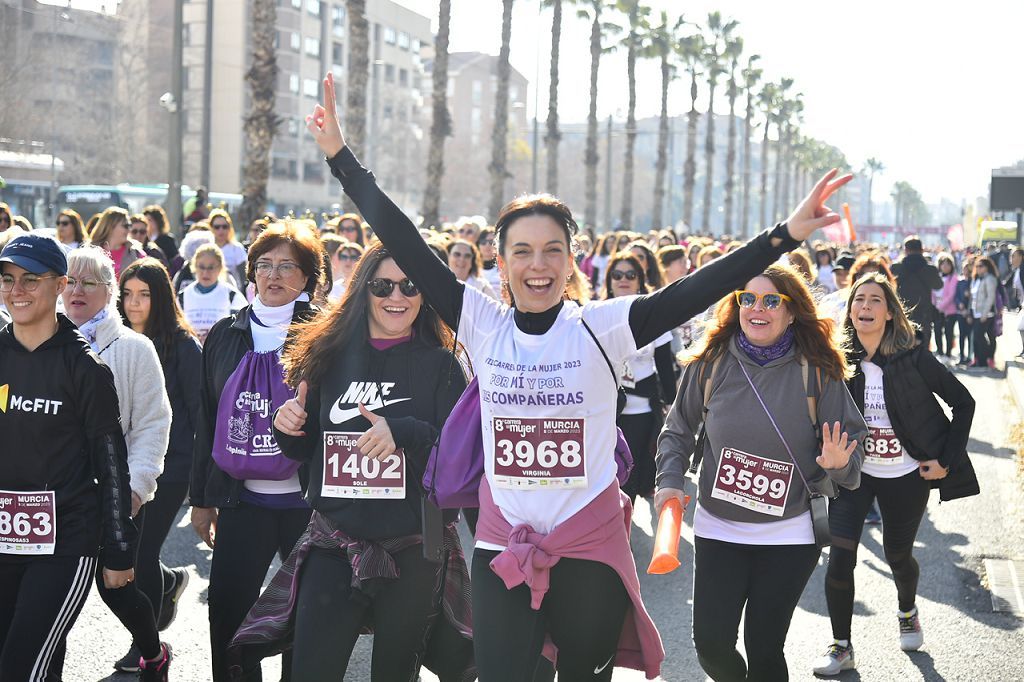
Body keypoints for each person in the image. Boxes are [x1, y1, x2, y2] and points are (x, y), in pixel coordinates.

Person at [307, 69, 851, 680]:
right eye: (521, 251)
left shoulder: (604, 325)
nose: (537, 265)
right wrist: (340, 159)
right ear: (500, 260)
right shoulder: (481, 322)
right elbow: (402, 240)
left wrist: (785, 235)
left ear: (571, 260)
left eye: (551, 251)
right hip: (502, 541)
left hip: (588, 543)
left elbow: (701, 288)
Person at [230, 241, 473, 680]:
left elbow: (459, 456)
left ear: (425, 295)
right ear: (364, 290)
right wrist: (287, 429)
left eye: (409, 286)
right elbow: (305, 451)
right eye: (382, 285)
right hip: (335, 542)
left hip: (415, 547)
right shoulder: (329, 357)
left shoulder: (443, 366)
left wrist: (404, 431)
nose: (395, 297)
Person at [655, 263, 866, 682]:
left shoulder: (816, 371)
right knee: (712, 646)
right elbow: (677, 430)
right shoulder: (710, 364)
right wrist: (669, 482)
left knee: (764, 648)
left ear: (791, 311)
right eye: (747, 299)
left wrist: (840, 464)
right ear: (735, 307)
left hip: (789, 533)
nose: (758, 308)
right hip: (719, 528)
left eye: (772, 300)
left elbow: (853, 458)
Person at [813, 273, 977, 676]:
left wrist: (945, 461)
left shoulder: (914, 359)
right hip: (853, 476)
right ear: (850, 311)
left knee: (897, 556)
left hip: (905, 475)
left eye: (874, 301)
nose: (865, 307)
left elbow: (963, 402)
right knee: (839, 559)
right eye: (858, 300)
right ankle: (841, 646)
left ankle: (907, 611)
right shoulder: (836, 361)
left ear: (889, 313)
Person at [0, 234, 138, 681]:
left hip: (63, 544)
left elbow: (111, 462)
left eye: (29, 280)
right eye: (7, 280)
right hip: (3, 539)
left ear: (59, 285)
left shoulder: (85, 369)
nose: (15, 291)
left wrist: (119, 549)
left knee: (22, 668)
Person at [190, 221, 323, 681]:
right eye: (264, 264)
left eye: (288, 265)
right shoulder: (226, 334)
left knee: (307, 621)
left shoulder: (326, 336)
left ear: (307, 278)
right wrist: (201, 500)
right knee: (227, 612)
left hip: (308, 506)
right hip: (241, 499)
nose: (274, 275)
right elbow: (206, 419)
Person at [61, 246, 174, 676]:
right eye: (70, 281)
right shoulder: (42, 341)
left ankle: (152, 651)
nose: (77, 290)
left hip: (116, 491)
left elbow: (152, 424)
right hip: (56, 494)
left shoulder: (134, 348)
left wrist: (136, 489)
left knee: (116, 587)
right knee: (50, 594)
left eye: (89, 282)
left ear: (109, 292)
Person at [119, 257, 201, 639]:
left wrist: (202, 482)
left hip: (172, 465)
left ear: (161, 298)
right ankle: (168, 582)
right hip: (125, 462)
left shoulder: (183, 346)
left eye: (144, 294)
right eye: (127, 294)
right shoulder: (116, 341)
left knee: (141, 554)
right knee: (125, 553)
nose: (134, 303)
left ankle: (146, 644)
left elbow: (203, 413)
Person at [603, 252, 676, 503]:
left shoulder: (653, 315)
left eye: (630, 275)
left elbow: (665, 364)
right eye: (617, 275)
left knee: (630, 478)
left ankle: (624, 533)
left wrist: (673, 404)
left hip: (642, 410)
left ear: (640, 280)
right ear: (609, 281)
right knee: (604, 478)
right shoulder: (594, 314)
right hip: (604, 410)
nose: (624, 279)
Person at [178, 242, 245, 344]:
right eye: (201, 267)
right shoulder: (182, 297)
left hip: (221, 356)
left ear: (220, 268)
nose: (205, 273)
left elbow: (242, 332)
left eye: (211, 267)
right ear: (194, 267)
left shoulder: (232, 296)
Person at [891, 236, 942, 345]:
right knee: (923, 348)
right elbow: (938, 285)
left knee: (902, 346)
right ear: (922, 250)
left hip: (902, 313)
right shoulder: (930, 270)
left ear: (905, 250)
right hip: (924, 314)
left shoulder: (896, 268)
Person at [89, 206, 148, 278]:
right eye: (126, 226)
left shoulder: (136, 253)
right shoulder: (89, 252)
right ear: (110, 227)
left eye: (130, 226)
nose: (129, 230)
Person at [970, 256, 998, 369]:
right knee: (977, 337)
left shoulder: (990, 278)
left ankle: (986, 358)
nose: (978, 268)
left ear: (987, 267)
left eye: (981, 266)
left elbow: (990, 298)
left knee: (980, 336)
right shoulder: (976, 279)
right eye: (976, 266)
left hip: (986, 314)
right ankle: (980, 360)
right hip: (976, 313)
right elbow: (973, 298)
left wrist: (984, 314)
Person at [209, 209, 249, 288]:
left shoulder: (237, 248)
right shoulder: (207, 248)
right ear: (211, 228)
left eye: (225, 226)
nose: (221, 230)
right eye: (217, 227)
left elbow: (243, 277)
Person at [933, 253, 959, 358]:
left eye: (948, 264)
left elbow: (951, 295)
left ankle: (948, 354)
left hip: (949, 310)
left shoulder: (953, 278)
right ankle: (940, 352)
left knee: (949, 332)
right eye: (943, 264)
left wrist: (941, 306)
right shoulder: (936, 277)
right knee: (937, 331)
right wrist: (935, 305)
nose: (945, 266)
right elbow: (932, 293)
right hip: (937, 309)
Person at [144, 205, 181, 274]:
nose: (147, 223)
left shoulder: (168, 240)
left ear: (158, 221)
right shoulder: (143, 238)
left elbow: (174, 261)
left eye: (150, 220)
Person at [477, 226, 502, 293]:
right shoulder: (472, 269)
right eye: (483, 242)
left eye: (491, 242)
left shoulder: (505, 269)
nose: (487, 245)